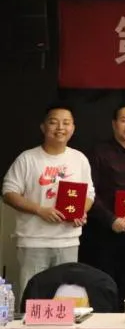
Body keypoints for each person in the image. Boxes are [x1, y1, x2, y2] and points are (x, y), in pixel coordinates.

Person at [2, 101, 95, 293]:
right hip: (34, 241)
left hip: (68, 240)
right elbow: (9, 193)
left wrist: (80, 211)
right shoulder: (27, 158)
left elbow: (89, 194)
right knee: (33, 297)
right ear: (43, 127)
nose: (60, 127)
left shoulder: (79, 159)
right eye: (53, 122)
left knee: (65, 296)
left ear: (73, 128)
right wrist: (40, 210)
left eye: (66, 123)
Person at [81, 104, 125, 305]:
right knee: (107, 285)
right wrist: (111, 219)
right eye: (124, 120)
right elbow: (90, 192)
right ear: (114, 124)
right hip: (105, 231)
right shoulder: (99, 152)